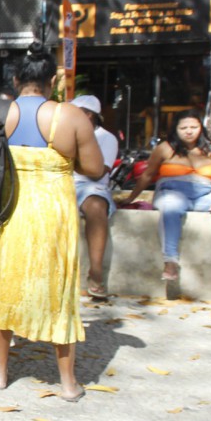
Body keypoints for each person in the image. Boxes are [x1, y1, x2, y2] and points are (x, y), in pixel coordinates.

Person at [0, 47, 104, 402]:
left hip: (0, 211)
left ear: (16, 80)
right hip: (52, 216)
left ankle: (0, 373)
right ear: (52, 81)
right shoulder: (71, 116)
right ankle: (67, 383)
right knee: (59, 290)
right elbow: (95, 169)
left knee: (0, 286)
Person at [124, 109, 211, 283]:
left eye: (193, 127)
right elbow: (147, 175)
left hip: (205, 193)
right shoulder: (165, 148)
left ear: (201, 128)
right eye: (184, 128)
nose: (189, 131)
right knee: (171, 207)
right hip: (171, 191)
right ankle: (170, 260)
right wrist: (131, 197)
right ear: (176, 129)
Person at [70, 95, 120, 299]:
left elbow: (98, 172)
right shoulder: (66, 133)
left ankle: (96, 273)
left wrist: (70, 162)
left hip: (91, 186)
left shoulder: (106, 138)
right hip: (62, 182)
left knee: (97, 207)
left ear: (88, 115)